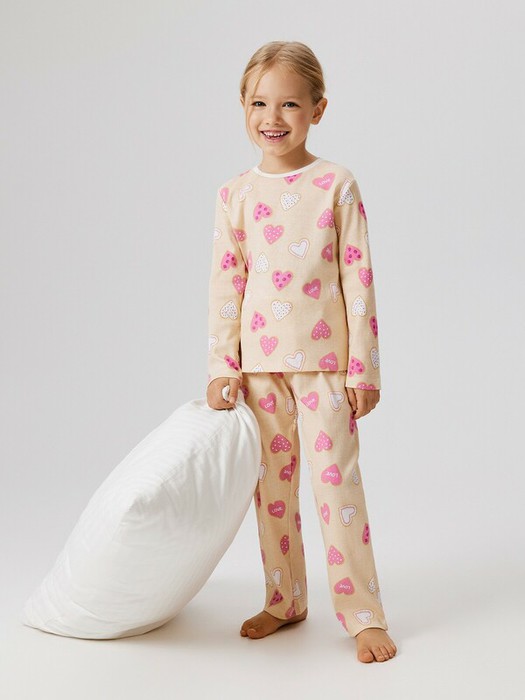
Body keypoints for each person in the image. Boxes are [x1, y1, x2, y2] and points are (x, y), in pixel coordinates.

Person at [205, 40, 397, 663]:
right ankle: (284, 598)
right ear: (242, 105)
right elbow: (227, 284)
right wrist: (222, 366)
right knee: (272, 495)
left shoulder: (335, 184)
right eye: (259, 103)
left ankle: (363, 613)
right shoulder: (234, 194)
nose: (273, 117)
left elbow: (358, 280)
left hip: (326, 371)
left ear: (318, 109)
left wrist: (363, 368)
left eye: (289, 103)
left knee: (338, 490)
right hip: (259, 372)